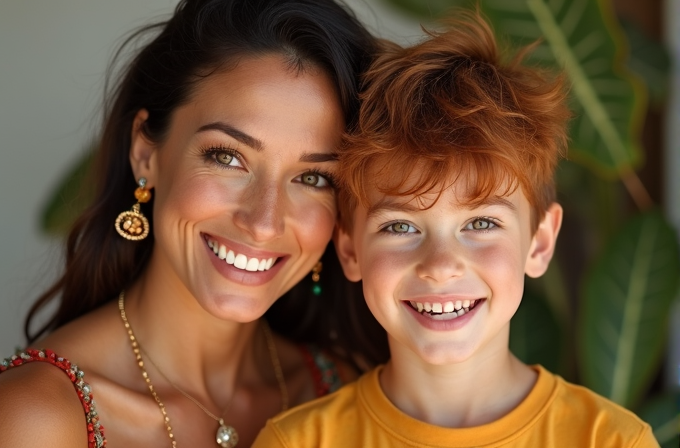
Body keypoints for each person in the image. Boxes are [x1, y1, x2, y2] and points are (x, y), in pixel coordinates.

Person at [252, 10, 659, 448]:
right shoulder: (298, 442)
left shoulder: (613, 440)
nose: (441, 266)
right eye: (400, 226)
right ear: (349, 249)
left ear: (540, 242)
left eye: (481, 223)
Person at [0, 1, 389, 447]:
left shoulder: (347, 391)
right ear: (147, 154)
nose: (263, 223)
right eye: (227, 157)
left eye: (314, 178)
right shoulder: (35, 419)